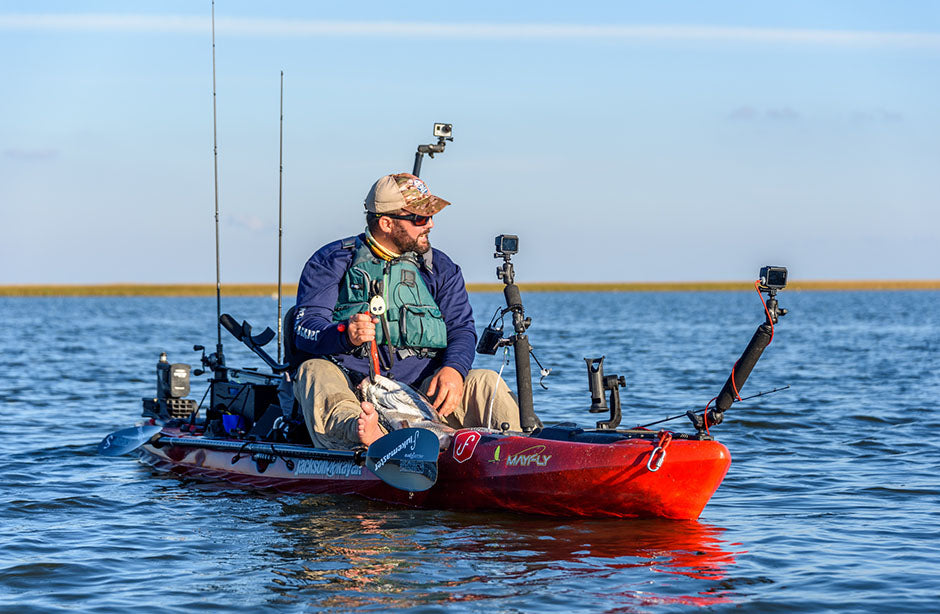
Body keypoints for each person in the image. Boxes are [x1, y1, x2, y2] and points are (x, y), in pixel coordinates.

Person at [291, 172, 521, 449]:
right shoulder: (331, 261)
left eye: (431, 216)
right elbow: (305, 328)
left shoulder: (441, 267)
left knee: (485, 380)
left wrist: (454, 369)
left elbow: (461, 328)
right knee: (313, 370)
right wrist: (344, 333)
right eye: (420, 219)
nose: (431, 225)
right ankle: (363, 437)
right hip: (356, 390)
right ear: (386, 223)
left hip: (425, 391)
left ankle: (521, 451)